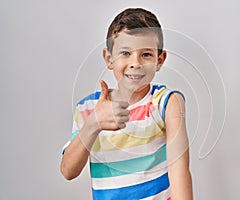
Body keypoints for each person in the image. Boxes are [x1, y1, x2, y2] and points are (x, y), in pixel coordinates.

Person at [60, 8, 193, 200]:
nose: (135, 63)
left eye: (146, 54)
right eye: (125, 53)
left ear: (159, 60)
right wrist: (94, 123)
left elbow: (179, 172)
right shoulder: (88, 108)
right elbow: (67, 171)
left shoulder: (167, 103)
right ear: (109, 59)